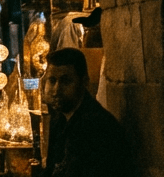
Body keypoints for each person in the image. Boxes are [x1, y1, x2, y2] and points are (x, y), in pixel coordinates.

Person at [42, 47, 133, 177]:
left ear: (84, 81)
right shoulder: (59, 118)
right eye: (52, 80)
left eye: (66, 81)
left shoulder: (97, 127)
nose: (56, 90)